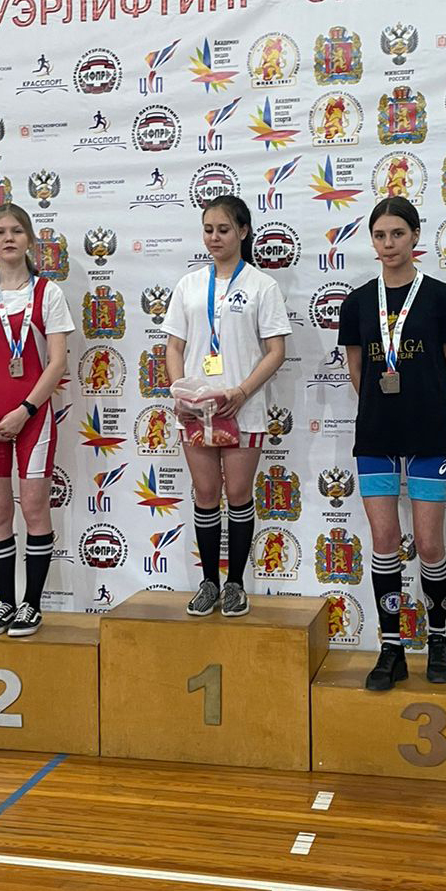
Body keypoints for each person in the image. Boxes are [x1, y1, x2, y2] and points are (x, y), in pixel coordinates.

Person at [338, 196, 446, 690]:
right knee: (386, 541)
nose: (388, 244)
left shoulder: (441, 298)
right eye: (380, 235)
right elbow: (357, 369)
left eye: (397, 234)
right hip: (376, 434)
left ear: (415, 236)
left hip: (428, 433)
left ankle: (438, 639)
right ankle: (391, 647)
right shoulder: (356, 302)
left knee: (429, 543)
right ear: (372, 240)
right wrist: (383, 407)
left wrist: (426, 406)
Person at [164, 195, 291, 617]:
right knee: (205, 493)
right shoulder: (189, 285)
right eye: (208, 230)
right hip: (195, 410)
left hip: (243, 408)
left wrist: (241, 391)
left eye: (223, 229)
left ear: (243, 231)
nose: (214, 237)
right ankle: (209, 583)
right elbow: (174, 346)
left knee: (237, 494)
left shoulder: (261, 286)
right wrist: (180, 391)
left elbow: (276, 351)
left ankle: (235, 583)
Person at [0, 203, 74, 638]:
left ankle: (31, 605)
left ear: (29, 239)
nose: (9, 238)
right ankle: (5, 602)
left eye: (17, 231)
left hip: (32, 418)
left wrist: (25, 410)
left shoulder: (49, 293)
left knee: (35, 509)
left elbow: (58, 362)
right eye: (0, 232)